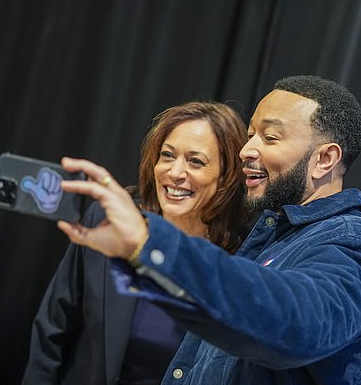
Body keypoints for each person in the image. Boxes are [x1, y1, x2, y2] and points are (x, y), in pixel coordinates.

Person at [57, 75, 361, 384]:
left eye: (270, 137)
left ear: (325, 159)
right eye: (250, 136)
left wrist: (151, 242)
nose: (246, 150)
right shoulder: (274, 235)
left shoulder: (350, 241)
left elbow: (298, 323)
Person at [21, 101, 248, 384]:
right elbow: (52, 328)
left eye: (196, 161)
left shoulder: (244, 258)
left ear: (227, 175)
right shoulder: (108, 220)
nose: (175, 172)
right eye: (167, 155)